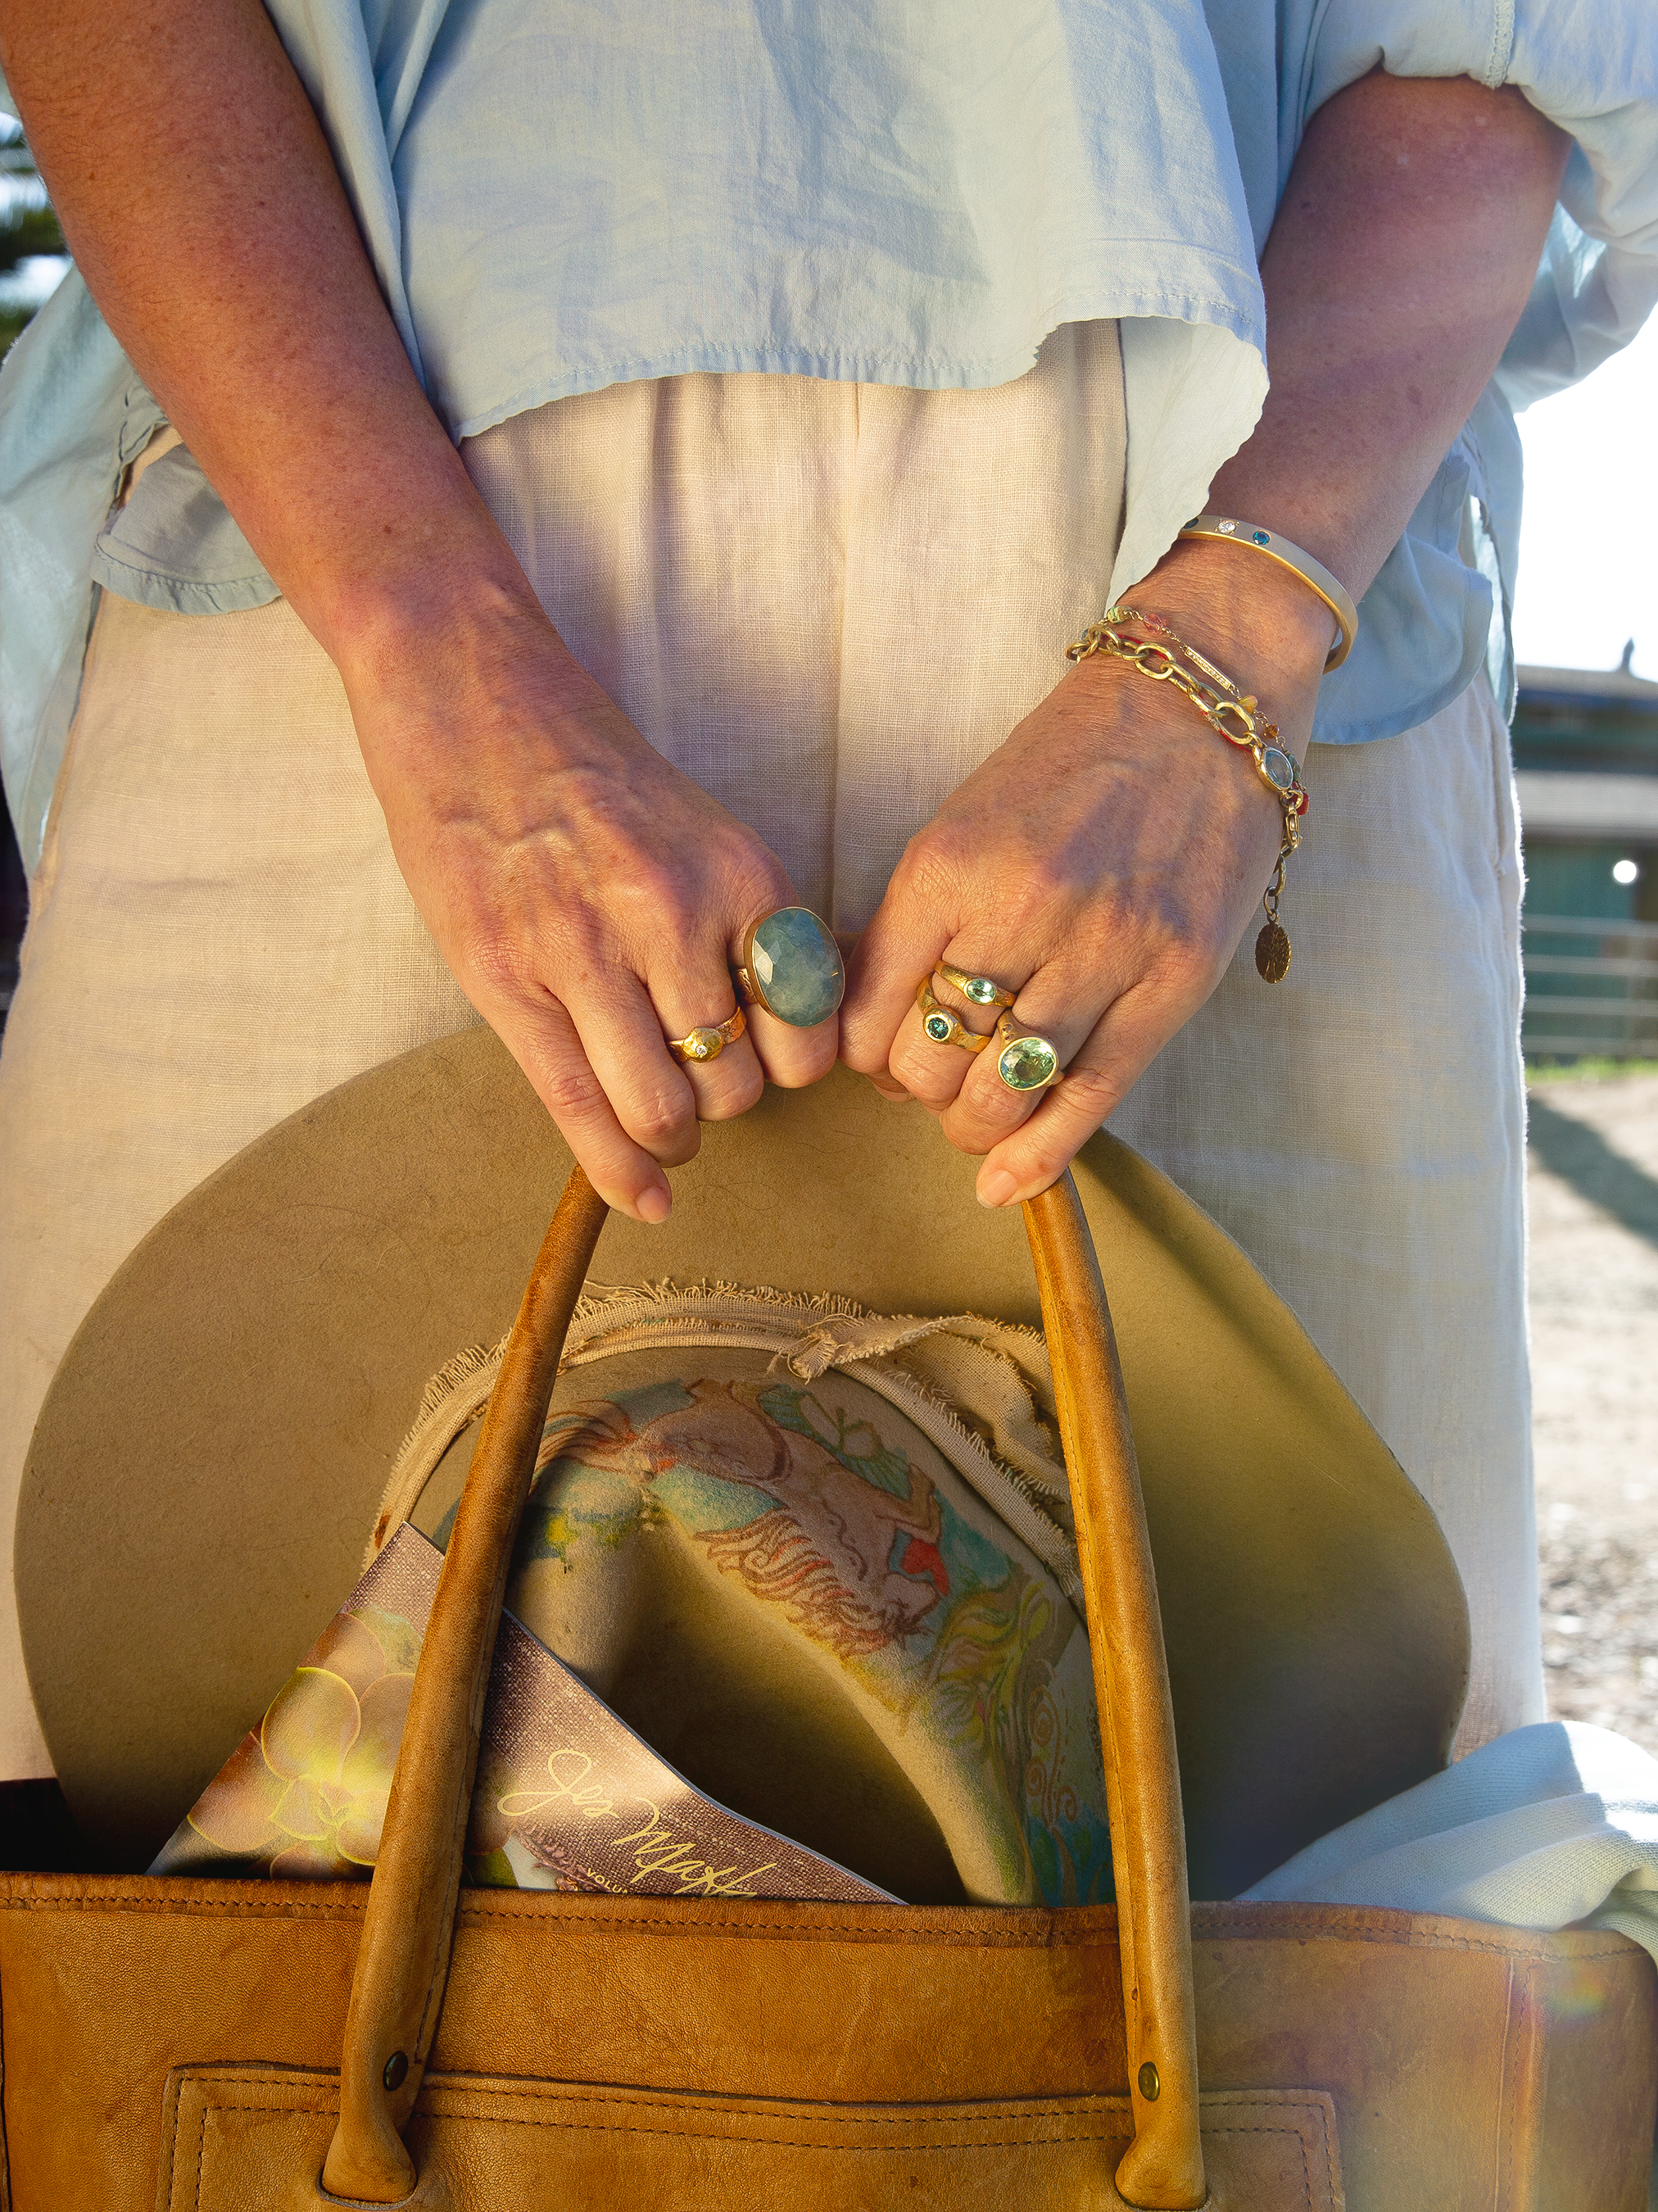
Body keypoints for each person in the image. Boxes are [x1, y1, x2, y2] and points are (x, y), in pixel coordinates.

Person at [0, 0, 1653, 1830]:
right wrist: (428, 645)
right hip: (347, 476)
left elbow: (1510, 30)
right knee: (191, 1857)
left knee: (1317, 1892)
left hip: (1251, 493)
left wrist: (1221, 655)